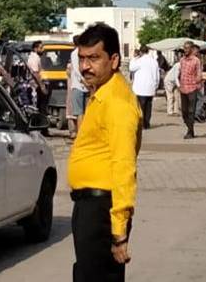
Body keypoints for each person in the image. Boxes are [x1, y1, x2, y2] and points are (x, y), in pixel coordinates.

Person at [68, 24, 142, 282]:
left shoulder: (118, 104)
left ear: (114, 60)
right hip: (89, 207)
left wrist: (119, 232)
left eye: (94, 58)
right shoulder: (101, 93)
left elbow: (124, 166)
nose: (86, 66)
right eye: (82, 58)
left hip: (102, 210)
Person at [128, 46, 159, 130]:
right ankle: (147, 123)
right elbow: (157, 75)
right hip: (150, 87)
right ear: (148, 51)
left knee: (141, 106)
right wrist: (156, 85)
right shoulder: (154, 61)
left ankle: (141, 123)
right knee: (148, 106)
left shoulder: (139, 61)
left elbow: (131, 68)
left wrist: (134, 58)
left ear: (140, 52)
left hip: (140, 88)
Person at [178, 41, 203, 139]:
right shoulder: (182, 60)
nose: (185, 50)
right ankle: (190, 128)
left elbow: (199, 73)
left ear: (192, 49)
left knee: (191, 111)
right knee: (184, 111)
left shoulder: (196, 60)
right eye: (184, 48)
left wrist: (197, 82)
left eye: (187, 48)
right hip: (183, 88)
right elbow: (180, 72)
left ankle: (190, 132)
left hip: (192, 88)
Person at [66, 35, 88, 139]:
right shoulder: (78, 53)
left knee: (81, 112)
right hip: (81, 85)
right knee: (81, 112)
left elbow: (78, 69)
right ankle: (82, 135)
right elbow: (78, 69)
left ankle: (82, 134)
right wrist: (85, 80)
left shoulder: (76, 53)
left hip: (80, 85)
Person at [27, 41, 49, 129]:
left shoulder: (35, 57)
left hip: (35, 86)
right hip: (34, 87)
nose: (42, 50)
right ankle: (40, 127)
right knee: (37, 107)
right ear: (35, 49)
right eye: (40, 48)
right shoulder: (34, 58)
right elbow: (35, 73)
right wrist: (42, 86)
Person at [163, 50, 183, 116]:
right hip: (169, 81)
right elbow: (176, 77)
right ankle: (170, 111)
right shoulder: (178, 65)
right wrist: (179, 86)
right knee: (170, 96)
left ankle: (176, 111)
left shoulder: (182, 65)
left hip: (174, 82)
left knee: (176, 96)